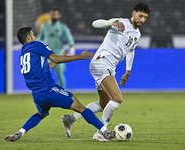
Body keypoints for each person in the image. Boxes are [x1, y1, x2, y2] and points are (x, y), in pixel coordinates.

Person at [5, 27, 115, 142]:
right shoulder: (37, 44)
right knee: (80, 107)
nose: (35, 37)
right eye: (32, 35)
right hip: (49, 89)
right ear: (28, 37)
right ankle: (105, 132)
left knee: (41, 114)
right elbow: (54, 57)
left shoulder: (23, 54)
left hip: (37, 95)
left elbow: (46, 66)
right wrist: (79, 56)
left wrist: (57, 60)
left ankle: (20, 132)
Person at [61, 3, 151, 142]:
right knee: (117, 98)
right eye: (140, 16)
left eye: (145, 17)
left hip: (107, 66)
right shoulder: (121, 23)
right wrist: (111, 22)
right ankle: (101, 132)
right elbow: (95, 23)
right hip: (101, 63)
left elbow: (131, 50)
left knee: (104, 104)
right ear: (133, 14)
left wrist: (128, 70)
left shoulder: (137, 34)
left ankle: (71, 118)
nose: (142, 20)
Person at [37, 8, 75, 88]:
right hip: (47, 53)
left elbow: (69, 38)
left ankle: (63, 91)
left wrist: (72, 49)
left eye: (55, 14)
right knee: (45, 73)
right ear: (50, 15)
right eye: (52, 14)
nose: (54, 16)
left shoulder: (62, 27)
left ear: (59, 16)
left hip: (59, 53)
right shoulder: (44, 26)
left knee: (59, 73)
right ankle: (46, 91)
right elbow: (39, 39)